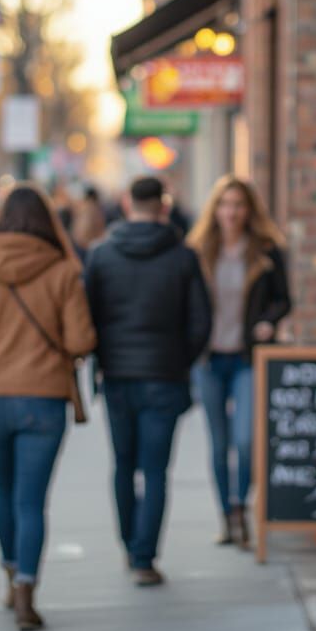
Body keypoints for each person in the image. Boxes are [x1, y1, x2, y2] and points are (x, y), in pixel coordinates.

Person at [0, 184, 96, 631]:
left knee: (4, 492)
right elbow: (81, 341)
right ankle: (27, 592)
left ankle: (11, 575)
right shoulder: (63, 271)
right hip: (44, 400)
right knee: (32, 501)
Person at [84, 176, 212, 587]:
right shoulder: (182, 256)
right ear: (163, 205)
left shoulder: (101, 255)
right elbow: (200, 322)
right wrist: (178, 360)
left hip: (118, 376)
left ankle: (128, 542)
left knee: (123, 464)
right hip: (165, 376)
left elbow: (89, 320)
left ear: (125, 202)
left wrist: (105, 359)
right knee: (155, 470)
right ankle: (144, 556)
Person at [186, 175, 291, 549]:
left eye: (238, 205)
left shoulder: (265, 249)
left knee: (246, 441)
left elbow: (284, 299)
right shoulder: (198, 250)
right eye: (225, 205)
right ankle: (226, 518)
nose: (231, 212)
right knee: (219, 443)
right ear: (215, 210)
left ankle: (239, 505)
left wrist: (268, 321)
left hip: (247, 358)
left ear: (249, 210)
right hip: (209, 359)